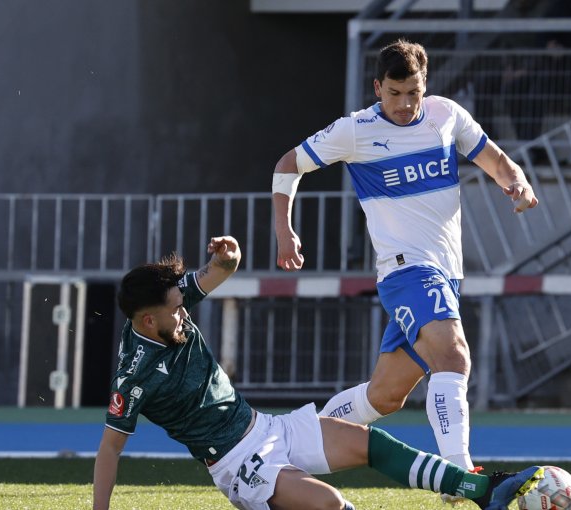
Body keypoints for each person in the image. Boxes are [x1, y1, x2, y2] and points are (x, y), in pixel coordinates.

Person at [92, 235, 544, 510]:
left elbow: (219, 270)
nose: (185, 313)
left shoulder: (170, 304)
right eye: (176, 311)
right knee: (329, 505)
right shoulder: (133, 378)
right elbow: (110, 450)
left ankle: (483, 491)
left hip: (267, 427)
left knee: (371, 443)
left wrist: (228, 255)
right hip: (237, 465)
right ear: (147, 321)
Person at [271, 39, 538, 503]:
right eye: (394, 93)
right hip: (406, 272)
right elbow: (286, 166)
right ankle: (461, 479)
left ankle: (286, 451)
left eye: (413, 91)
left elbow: (491, 156)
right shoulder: (355, 130)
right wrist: (284, 231)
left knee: (384, 397)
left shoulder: (445, 115)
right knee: (453, 356)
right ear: (378, 88)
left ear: (424, 85)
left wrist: (515, 180)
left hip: (445, 275)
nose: (404, 103)